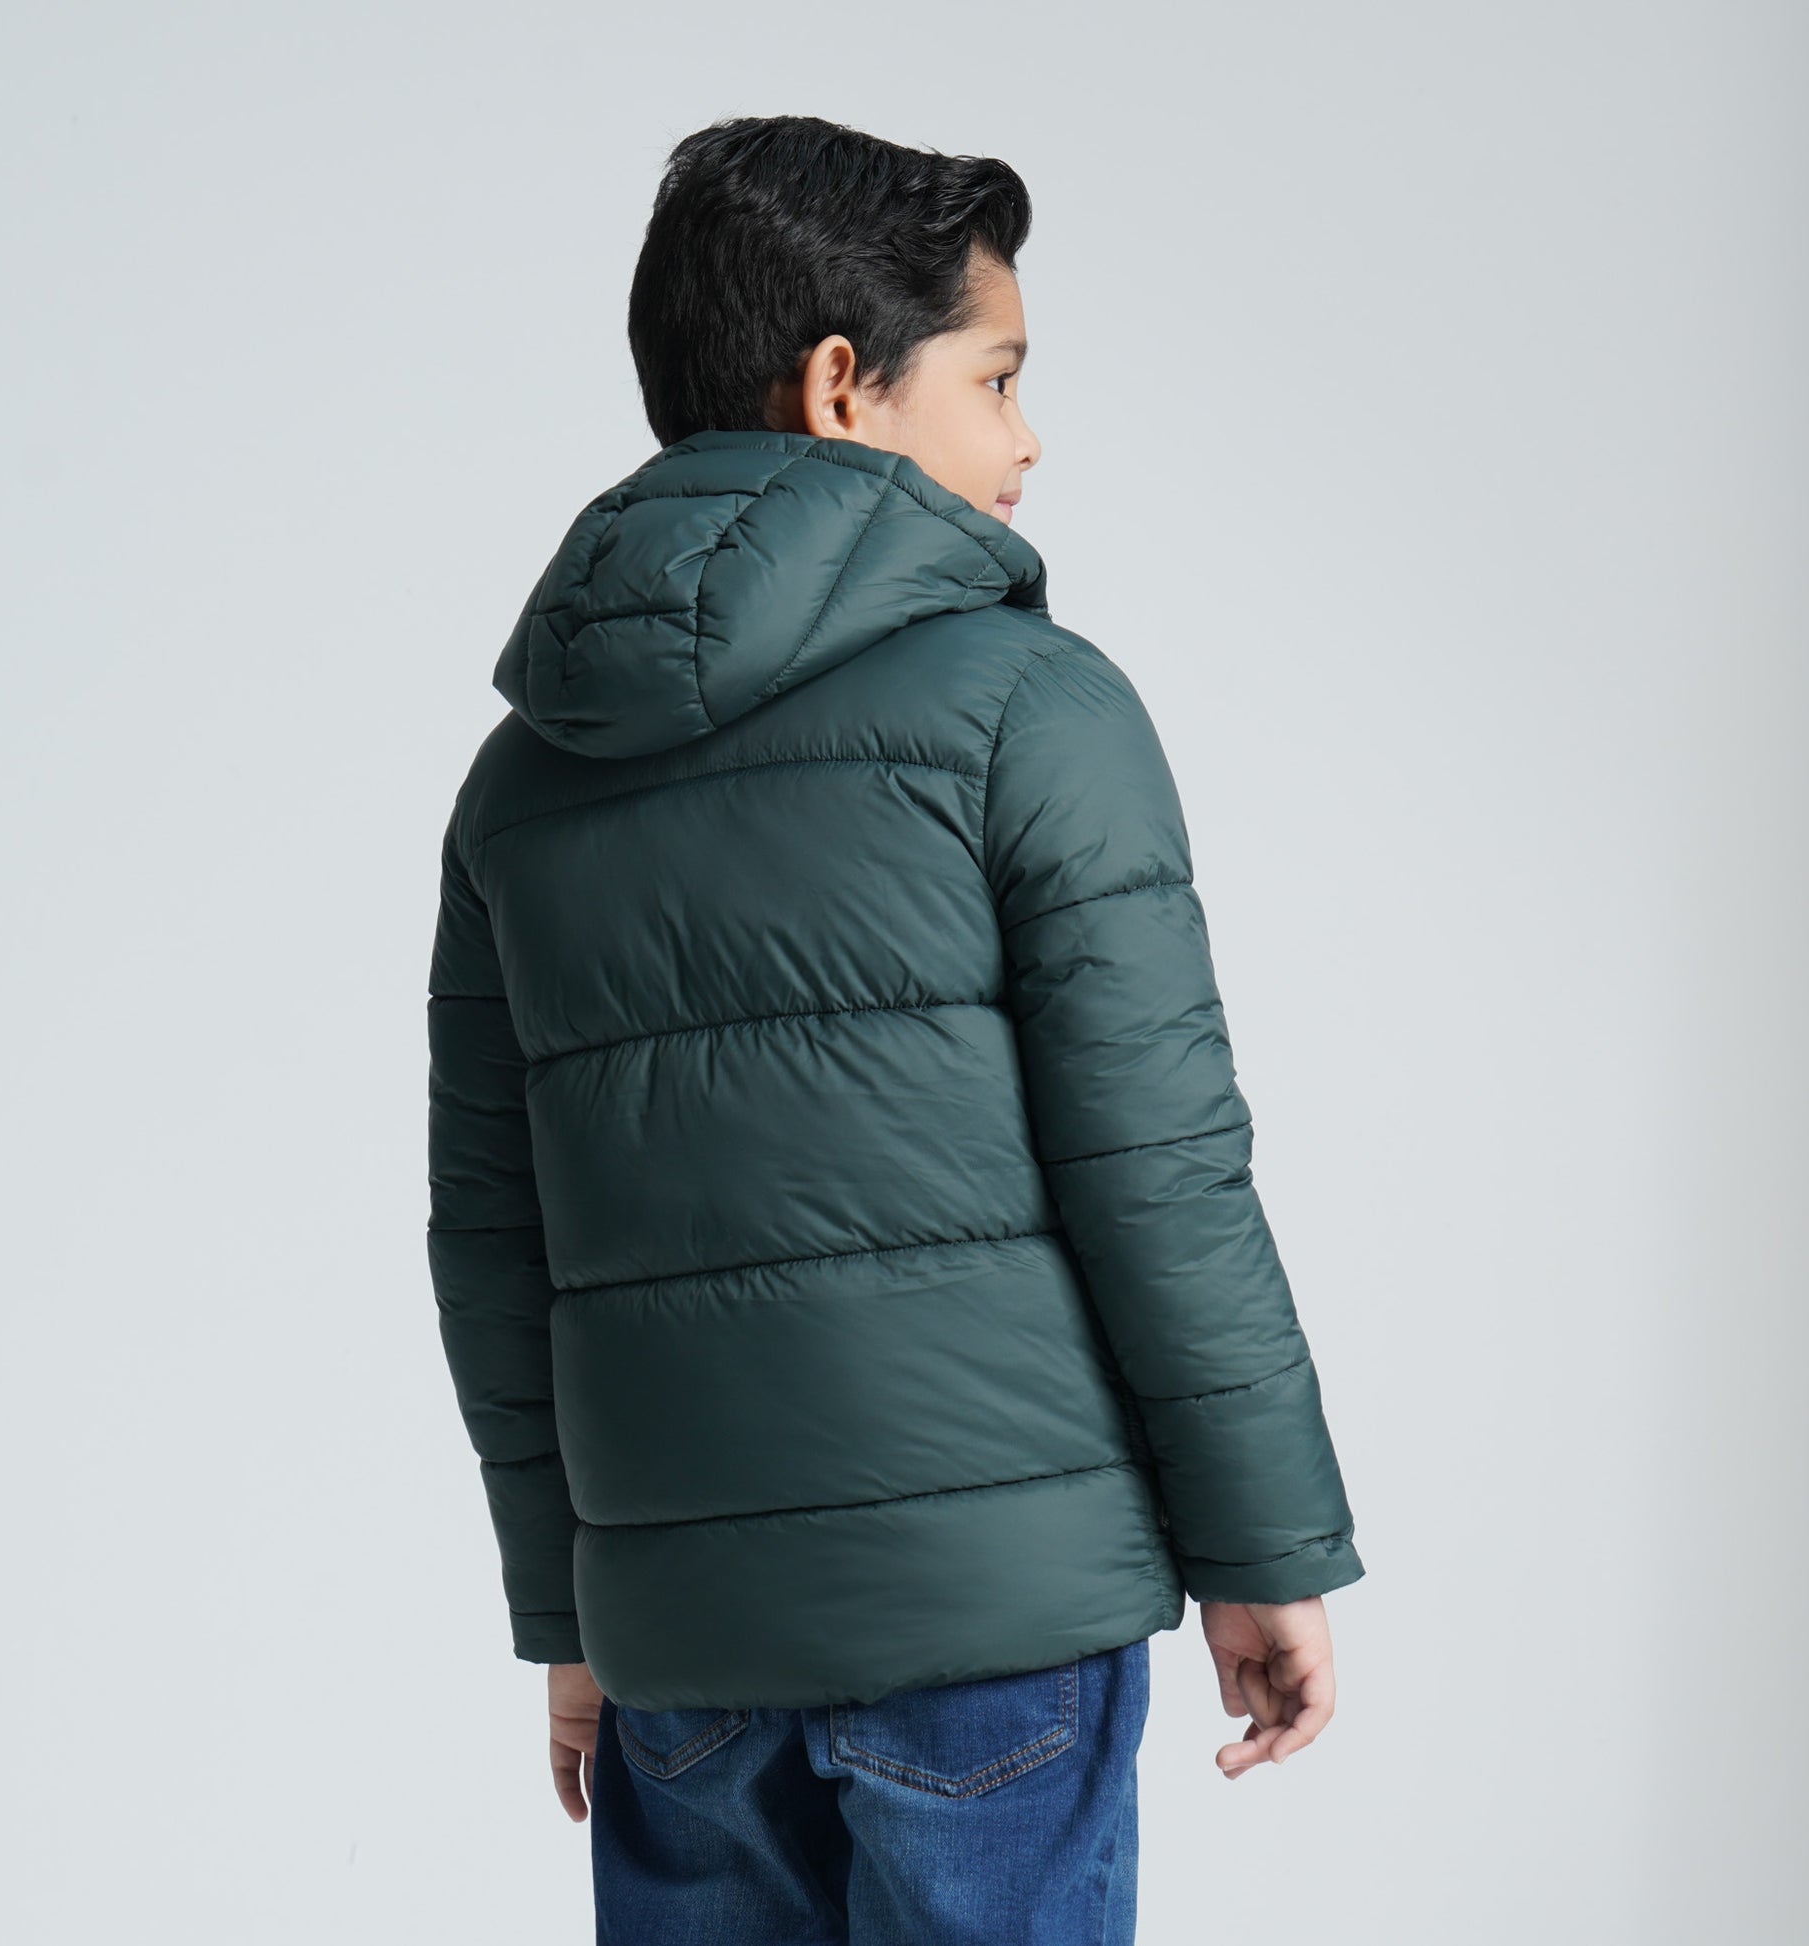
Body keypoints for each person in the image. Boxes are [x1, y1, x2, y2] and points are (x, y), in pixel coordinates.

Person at [425, 113, 1366, 1944]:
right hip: (995, 1623)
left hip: (680, 1650)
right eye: (997, 378)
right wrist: (1262, 1549)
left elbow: (494, 1240)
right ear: (843, 384)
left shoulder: (520, 781)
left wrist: (571, 1612)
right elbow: (1160, 1171)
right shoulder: (1032, 709)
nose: (1027, 437)